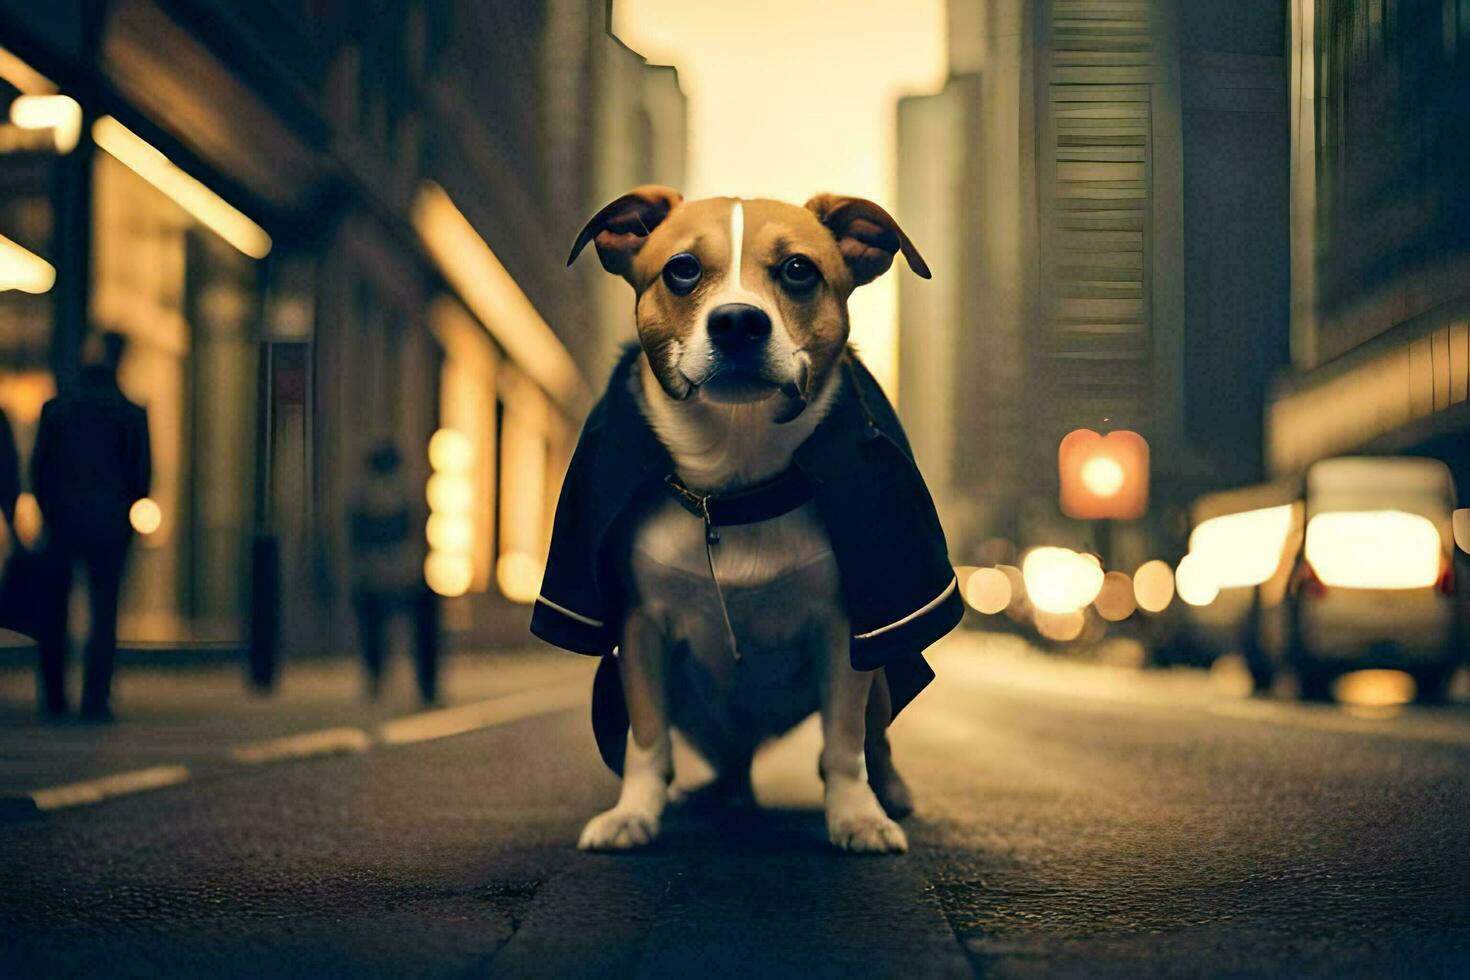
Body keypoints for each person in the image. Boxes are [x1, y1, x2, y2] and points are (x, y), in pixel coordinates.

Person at [31, 331, 151, 720]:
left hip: (64, 522)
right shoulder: (130, 413)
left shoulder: (57, 409)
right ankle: (95, 699)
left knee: (54, 609)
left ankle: (54, 696)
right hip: (110, 525)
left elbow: (40, 469)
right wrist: (126, 514)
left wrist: (50, 513)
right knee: (104, 613)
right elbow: (142, 475)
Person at [347, 441, 439, 703]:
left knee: (409, 621)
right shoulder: (370, 492)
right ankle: (405, 681)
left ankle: (419, 683)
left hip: (397, 572)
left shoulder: (394, 490)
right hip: (384, 574)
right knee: (375, 625)